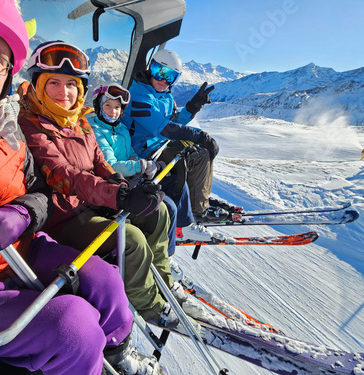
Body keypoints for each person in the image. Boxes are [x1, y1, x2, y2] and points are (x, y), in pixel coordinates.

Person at [0, 1, 164, 374]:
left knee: (105, 281)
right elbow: (62, 175)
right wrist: (115, 195)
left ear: (6, 76)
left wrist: (24, 212)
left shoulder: (5, 129)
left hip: (23, 250)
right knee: (75, 327)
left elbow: (41, 187)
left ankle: (119, 354)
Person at [17, 41, 191, 331]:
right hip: (65, 215)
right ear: (38, 84)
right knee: (132, 239)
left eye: (71, 84)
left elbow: (100, 161)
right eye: (54, 83)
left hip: (94, 201)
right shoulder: (31, 125)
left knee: (158, 213)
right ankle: (147, 303)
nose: (64, 92)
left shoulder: (79, 120)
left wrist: (124, 185)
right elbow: (63, 175)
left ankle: (163, 280)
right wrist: (119, 195)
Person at [89, 83, 224, 255]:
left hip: (133, 176)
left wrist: (146, 164)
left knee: (175, 183)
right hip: (117, 182)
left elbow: (130, 153)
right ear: (98, 106)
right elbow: (112, 166)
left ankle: (186, 225)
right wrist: (141, 166)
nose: (113, 111)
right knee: (166, 206)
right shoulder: (96, 130)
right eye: (108, 105)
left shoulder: (121, 127)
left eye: (117, 107)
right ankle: (164, 256)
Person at [121, 49, 243, 224]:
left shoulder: (165, 96)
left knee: (200, 154)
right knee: (191, 157)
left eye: (171, 77)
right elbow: (163, 128)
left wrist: (192, 107)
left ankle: (200, 199)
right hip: (141, 152)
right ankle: (198, 211)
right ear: (150, 69)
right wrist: (200, 136)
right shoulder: (139, 94)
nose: (164, 80)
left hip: (158, 146)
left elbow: (175, 122)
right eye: (159, 72)